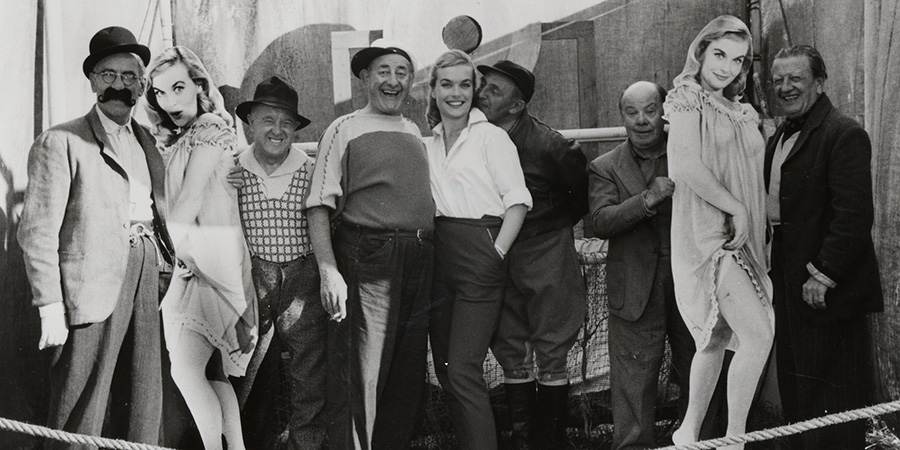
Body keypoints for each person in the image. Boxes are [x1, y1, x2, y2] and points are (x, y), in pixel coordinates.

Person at [17, 26, 172, 449]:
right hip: (91, 287)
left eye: (129, 77)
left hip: (146, 277)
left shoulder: (148, 144)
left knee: (142, 401)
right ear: (92, 81)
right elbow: (36, 232)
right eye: (108, 75)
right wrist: (49, 304)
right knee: (82, 405)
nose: (118, 86)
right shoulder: (62, 141)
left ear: (141, 86)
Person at [304, 41, 434, 450]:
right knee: (361, 374)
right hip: (368, 257)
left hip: (419, 259)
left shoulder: (415, 132)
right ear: (364, 79)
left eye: (402, 72)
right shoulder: (343, 128)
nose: (393, 80)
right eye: (384, 71)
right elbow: (318, 206)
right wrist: (329, 271)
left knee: (406, 374)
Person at [589, 81, 726, 450]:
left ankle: (701, 444)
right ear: (622, 117)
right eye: (631, 112)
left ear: (664, 111)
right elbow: (598, 221)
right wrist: (646, 200)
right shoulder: (605, 167)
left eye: (650, 110)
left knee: (701, 372)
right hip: (634, 291)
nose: (642, 121)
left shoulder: (690, 154)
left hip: (693, 284)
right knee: (634, 385)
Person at [663, 16, 774, 450]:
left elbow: (752, 173)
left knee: (716, 336)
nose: (727, 67)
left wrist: (756, 218)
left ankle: (688, 431)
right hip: (711, 233)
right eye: (719, 55)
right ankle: (734, 439)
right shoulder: (687, 98)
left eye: (738, 60)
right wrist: (736, 208)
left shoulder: (744, 111)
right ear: (702, 51)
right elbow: (684, 165)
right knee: (759, 334)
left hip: (747, 236)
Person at [766, 45, 883, 450]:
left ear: (819, 83)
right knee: (800, 384)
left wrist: (824, 274)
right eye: (778, 80)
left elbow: (853, 216)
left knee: (836, 394)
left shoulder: (843, 132)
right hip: (788, 274)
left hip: (827, 287)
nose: (785, 87)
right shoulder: (779, 135)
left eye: (795, 79)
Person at [145, 46, 257, 450]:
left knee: (187, 372)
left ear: (198, 84)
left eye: (178, 87)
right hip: (194, 254)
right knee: (210, 372)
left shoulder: (210, 127)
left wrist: (172, 257)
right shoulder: (180, 137)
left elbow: (190, 200)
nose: (169, 101)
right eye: (159, 92)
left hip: (209, 256)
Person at [476, 59, 587, 449]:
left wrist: (547, 229)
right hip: (497, 252)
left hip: (545, 251)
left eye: (494, 90)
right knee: (510, 347)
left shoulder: (549, 144)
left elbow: (578, 197)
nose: (482, 94)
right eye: (483, 86)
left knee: (553, 346)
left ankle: (549, 443)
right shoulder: (474, 136)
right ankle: (524, 442)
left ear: (517, 105)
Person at [425, 50, 532, 450]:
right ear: (433, 90)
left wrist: (497, 253)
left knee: (465, 368)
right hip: (441, 256)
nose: (456, 93)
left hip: (481, 255)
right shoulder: (430, 143)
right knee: (447, 369)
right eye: (447, 84)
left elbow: (517, 202)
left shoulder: (491, 137)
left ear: (475, 90)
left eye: (465, 84)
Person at [233, 76, 328, 450]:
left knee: (309, 368)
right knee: (249, 363)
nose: (277, 130)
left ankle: (305, 444)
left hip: (301, 276)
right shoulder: (232, 170)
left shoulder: (310, 169)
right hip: (253, 275)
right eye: (268, 120)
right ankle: (246, 441)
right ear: (250, 124)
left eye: (286, 123)